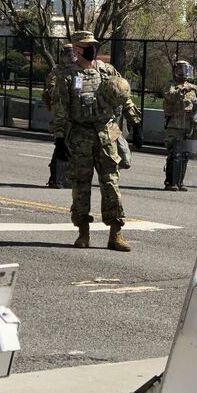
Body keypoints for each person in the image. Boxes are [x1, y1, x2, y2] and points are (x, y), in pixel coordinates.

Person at [49, 30, 131, 251]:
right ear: (76, 48)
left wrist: (133, 120)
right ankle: (83, 232)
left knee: (111, 183)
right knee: (81, 185)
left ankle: (116, 233)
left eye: (93, 44)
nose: (91, 48)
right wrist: (59, 140)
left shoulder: (107, 71)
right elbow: (60, 109)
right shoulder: (67, 76)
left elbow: (123, 94)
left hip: (106, 134)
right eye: (86, 45)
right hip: (80, 136)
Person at [163, 60, 197, 191]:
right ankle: (170, 181)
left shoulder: (193, 87)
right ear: (174, 71)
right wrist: (182, 89)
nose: (183, 73)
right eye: (180, 70)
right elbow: (170, 96)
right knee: (174, 153)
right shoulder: (171, 85)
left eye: (185, 70)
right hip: (174, 124)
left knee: (185, 154)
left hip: (189, 125)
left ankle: (180, 181)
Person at [44, 44, 76, 188]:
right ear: (62, 56)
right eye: (68, 54)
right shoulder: (56, 72)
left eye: (73, 54)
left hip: (74, 114)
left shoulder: (77, 71)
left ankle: (67, 178)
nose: (71, 57)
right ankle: (55, 178)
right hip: (60, 113)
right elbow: (51, 90)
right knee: (60, 145)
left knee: (73, 148)